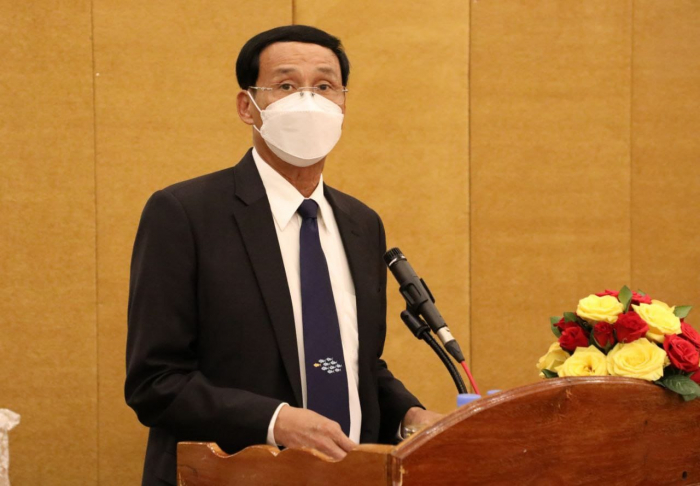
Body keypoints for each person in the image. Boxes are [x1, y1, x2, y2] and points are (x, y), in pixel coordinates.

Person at [125, 25, 440, 486]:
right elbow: (155, 382)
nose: (308, 101)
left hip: (351, 475)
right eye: (287, 85)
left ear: (343, 104)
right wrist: (276, 421)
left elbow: (354, 365)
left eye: (325, 86)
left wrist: (409, 416)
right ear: (246, 106)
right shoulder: (185, 214)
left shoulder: (361, 223)